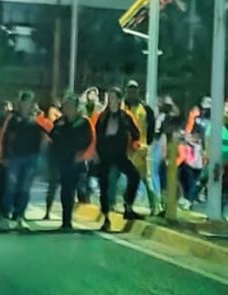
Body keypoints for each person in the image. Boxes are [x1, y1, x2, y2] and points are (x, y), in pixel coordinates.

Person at [0, 91, 50, 233]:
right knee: (10, 188)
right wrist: (4, 156)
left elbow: (49, 131)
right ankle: (5, 218)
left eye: (29, 102)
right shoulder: (13, 118)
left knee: (25, 188)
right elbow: (5, 137)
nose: (27, 105)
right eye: (25, 102)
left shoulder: (37, 119)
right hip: (15, 158)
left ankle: (19, 216)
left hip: (31, 157)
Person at [93, 87, 142, 232]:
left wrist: (132, 148)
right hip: (104, 155)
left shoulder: (125, 116)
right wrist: (95, 153)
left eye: (114, 98)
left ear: (119, 100)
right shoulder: (102, 117)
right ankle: (106, 218)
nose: (111, 101)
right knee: (105, 186)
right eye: (109, 98)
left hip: (120, 154)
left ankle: (128, 205)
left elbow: (136, 134)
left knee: (134, 175)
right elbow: (95, 135)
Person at [47, 92, 94, 231]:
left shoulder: (84, 123)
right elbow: (52, 140)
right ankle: (66, 221)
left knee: (75, 190)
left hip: (78, 162)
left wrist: (82, 155)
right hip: (63, 162)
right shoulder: (59, 123)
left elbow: (89, 141)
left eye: (71, 106)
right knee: (65, 191)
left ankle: (70, 218)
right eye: (66, 106)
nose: (68, 108)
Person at [123, 79, 157, 215]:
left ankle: (155, 206)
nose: (132, 93)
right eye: (129, 90)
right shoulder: (122, 107)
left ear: (138, 92)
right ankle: (116, 203)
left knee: (145, 178)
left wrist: (147, 143)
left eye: (134, 90)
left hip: (140, 149)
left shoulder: (145, 109)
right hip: (124, 148)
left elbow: (151, 127)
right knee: (116, 176)